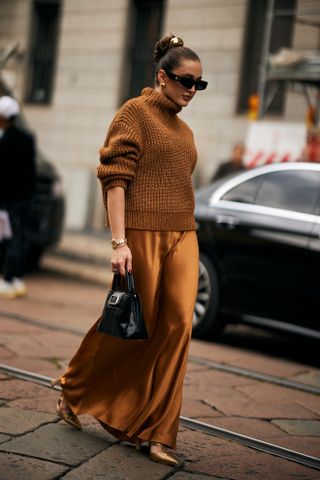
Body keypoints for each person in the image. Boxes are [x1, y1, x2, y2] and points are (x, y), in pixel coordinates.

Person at [51, 34, 207, 466]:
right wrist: (119, 242)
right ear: (162, 76)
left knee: (177, 325)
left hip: (183, 233)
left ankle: (159, 433)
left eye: (199, 84)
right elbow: (114, 178)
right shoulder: (134, 113)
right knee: (136, 323)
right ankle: (74, 386)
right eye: (184, 81)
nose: (191, 90)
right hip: (140, 232)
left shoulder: (185, 128)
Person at [0, 96, 36, 299]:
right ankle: (16, 279)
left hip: (8, 199)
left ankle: (8, 279)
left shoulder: (6, 140)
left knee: (9, 239)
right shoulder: (27, 138)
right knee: (20, 237)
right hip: (24, 198)